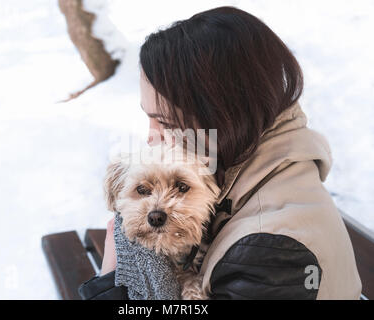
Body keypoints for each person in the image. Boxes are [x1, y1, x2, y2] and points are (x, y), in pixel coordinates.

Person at [79, 6, 361, 300]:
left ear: (224, 114)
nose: (152, 138)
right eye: (149, 118)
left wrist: (111, 281)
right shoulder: (250, 173)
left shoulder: (271, 253)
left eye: (165, 122)